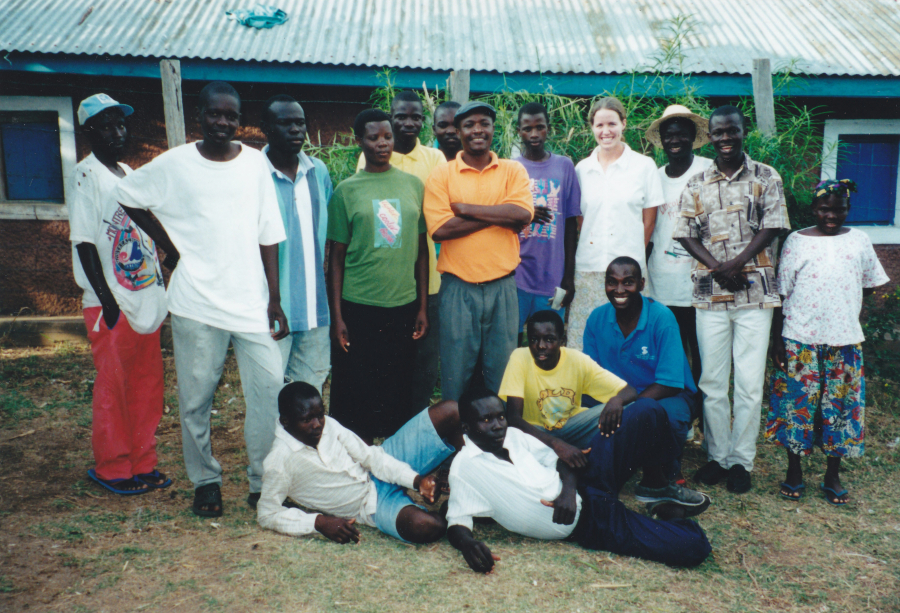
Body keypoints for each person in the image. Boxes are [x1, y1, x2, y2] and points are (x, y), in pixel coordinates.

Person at [115, 81, 288, 517]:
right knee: (195, 399)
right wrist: (169, 247)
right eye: (215, 114)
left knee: (269, 393)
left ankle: (261, 481)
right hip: (194, 304)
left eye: (231, 115)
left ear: (240, 119)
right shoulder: (175, 164)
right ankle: (206, 481)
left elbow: (269, 233)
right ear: (200, 115)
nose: (223, 123)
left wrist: (275, 299)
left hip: (250, 304)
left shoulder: (254, 164)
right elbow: (128, 195)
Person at [446, 388, 711, 572]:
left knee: (646, 410)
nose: (498, 425)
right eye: (486, 420)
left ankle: (656, 488)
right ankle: (667, 521)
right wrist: (467, 544)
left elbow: (562, 460)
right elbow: (457, 520)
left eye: (501, 416)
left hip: (586, 483)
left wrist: (568, 492)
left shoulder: (514, 437)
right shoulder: (464, 467)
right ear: (466, 428)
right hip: (588, 522)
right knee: (695, 546)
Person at [673, 105, 791, 494]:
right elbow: (684, 232)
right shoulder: (697, 182)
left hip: (755, 295)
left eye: (732, 132)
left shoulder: (765, 176)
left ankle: (742, 460)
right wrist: (717, 267)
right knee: (711, 381)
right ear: (710, 136)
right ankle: (717, 456)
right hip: (710, 297)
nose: (725, 139)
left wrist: (737, 263)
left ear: (744, 132)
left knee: (749, 383)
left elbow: (774, 225)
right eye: (719, 133)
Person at [69, 94, 170, 496]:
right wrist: (107, 302)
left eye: (121, 124)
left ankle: (142, 461)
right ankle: (113, 466)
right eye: (106, 125)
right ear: (88, 131)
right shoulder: (85, 175)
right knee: (114, 387)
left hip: (144, 300)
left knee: (146, 386)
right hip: (110, 306)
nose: (117, 132)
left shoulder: (128, 172)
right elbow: (84, 242)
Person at [766, 179, 888, 505]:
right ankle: (794, 472)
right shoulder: (796, 241)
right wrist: (777, 341)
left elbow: (868, 284)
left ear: (848, 210)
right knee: (796, 407)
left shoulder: (860, 241)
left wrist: (848, 316)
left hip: (844, 342)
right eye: (824, 209)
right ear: (813, 210)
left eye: (839, 210)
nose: (831, 216)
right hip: (799, 340)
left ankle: (832, 476)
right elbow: (780, 292)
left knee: (840, 410)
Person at [423, 101, 546, 400]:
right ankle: (456, 442)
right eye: (469, 125)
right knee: (455, 374)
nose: (477, 130)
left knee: (501, 374)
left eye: (484, 123)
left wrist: (466, 210)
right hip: (457, 288)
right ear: (458, 131)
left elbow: (521, 216)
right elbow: (441, 230)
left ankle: (499, 441)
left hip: (503, 286)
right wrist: (497, 215)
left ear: (493, 129)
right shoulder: (442, 174)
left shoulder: (511, 170)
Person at [328, 109, 429, 442]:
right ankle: (354, 461)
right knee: (356, 390)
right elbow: (337, 258)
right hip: (358, 307)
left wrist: (422, 307)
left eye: (387, 136)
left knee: (397, 388)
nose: (382, 144)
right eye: (373, 138)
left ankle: (392, 462)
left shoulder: (413, 185)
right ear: (360, 142)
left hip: (402, 305)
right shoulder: (346, 191)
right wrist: (338, 317)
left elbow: (421, 251)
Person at [257, 381, 462, 544]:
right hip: (370, 506)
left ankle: (469, 490)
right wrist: (318, 522)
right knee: (430, 527)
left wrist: (417, 481)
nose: (317, 425)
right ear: (285, 421)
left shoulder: (329, 425)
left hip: (384, 462)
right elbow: (267, 513)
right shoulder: (279, 460)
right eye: (307, 419)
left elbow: (371, 458)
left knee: (451, 410)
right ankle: (454, 509)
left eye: (320, 415)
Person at [355, 91, 446, 412]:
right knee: (384, 357)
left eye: (416, 117)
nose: (409, 123)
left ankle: (415, 427)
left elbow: (436, 214)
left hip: (428, 279)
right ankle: (385, 422)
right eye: (401, 117)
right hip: (386, 281)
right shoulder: (376, 154)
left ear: (424, 121)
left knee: (423, 360)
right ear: (390, 119)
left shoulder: (435, 160)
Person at [582, 257, 700, 482]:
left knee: (669, 417)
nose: (619, 289)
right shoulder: (597, 317)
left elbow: (669, 382)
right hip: (616, 393)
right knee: (576, 406)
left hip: (664, 394)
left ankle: (667, 469)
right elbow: (591, 373)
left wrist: (627, 405)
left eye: (628, 282)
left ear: (642, 284)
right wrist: (616, 401)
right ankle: (595, 462)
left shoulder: (661, 318)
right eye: (612, 282)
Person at [568, 97, 665, 350]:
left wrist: (631, 260)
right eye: (599, 125)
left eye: (612, 123)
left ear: (623, 123)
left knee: (630, 339)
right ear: (591, 127)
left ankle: (630, 389)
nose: (606, 131)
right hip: (589, 269)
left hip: (629, 273)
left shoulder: (644, 166)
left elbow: (649, 222)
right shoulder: (582, 169)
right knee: (586, 339)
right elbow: (581, 221)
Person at [498, 309, 637, 468]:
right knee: (511, 435)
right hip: (535, 432)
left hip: (572, 426)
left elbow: (630, 391)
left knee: (630, 410)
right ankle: (565, 457)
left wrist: (616, 400)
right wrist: (556, 444)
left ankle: (599, 460)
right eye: (534, 339)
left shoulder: (577, 360)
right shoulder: (519, 357)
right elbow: (514, 418)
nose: (541, 346)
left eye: (549, 340)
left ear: (562, 341)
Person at [261, 95, 333, 392]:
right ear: (266, 128)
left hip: (315, 307)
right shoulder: (253, 173)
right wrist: (272, 299)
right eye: (285, 123)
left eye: (300, 123)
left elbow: (327, 236)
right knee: (269, 390)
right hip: (269, 307)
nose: (295, 130)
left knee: (309, 392)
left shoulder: (319, 171)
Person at [644, 105, 713, 386]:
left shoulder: (708, 169)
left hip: (701, 281)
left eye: (682, 134)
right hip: (662, 282)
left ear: (693, 136)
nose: (675, 141)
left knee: (702, 353)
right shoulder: (654, 177)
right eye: (669, 135)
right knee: (671, 353)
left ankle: (702, 413)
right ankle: (679, 414)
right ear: (661, 140)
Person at [513, 102, 582, 343]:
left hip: (552, 276)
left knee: (547, 342)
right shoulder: (511, 168)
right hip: (516, 275)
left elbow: (571, 224)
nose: (533, 134)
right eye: (527, 128)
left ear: (548, 129)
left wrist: (568, 277)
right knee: (512, 341)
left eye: (539, 127)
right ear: (518, 131)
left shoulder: (564, 166)